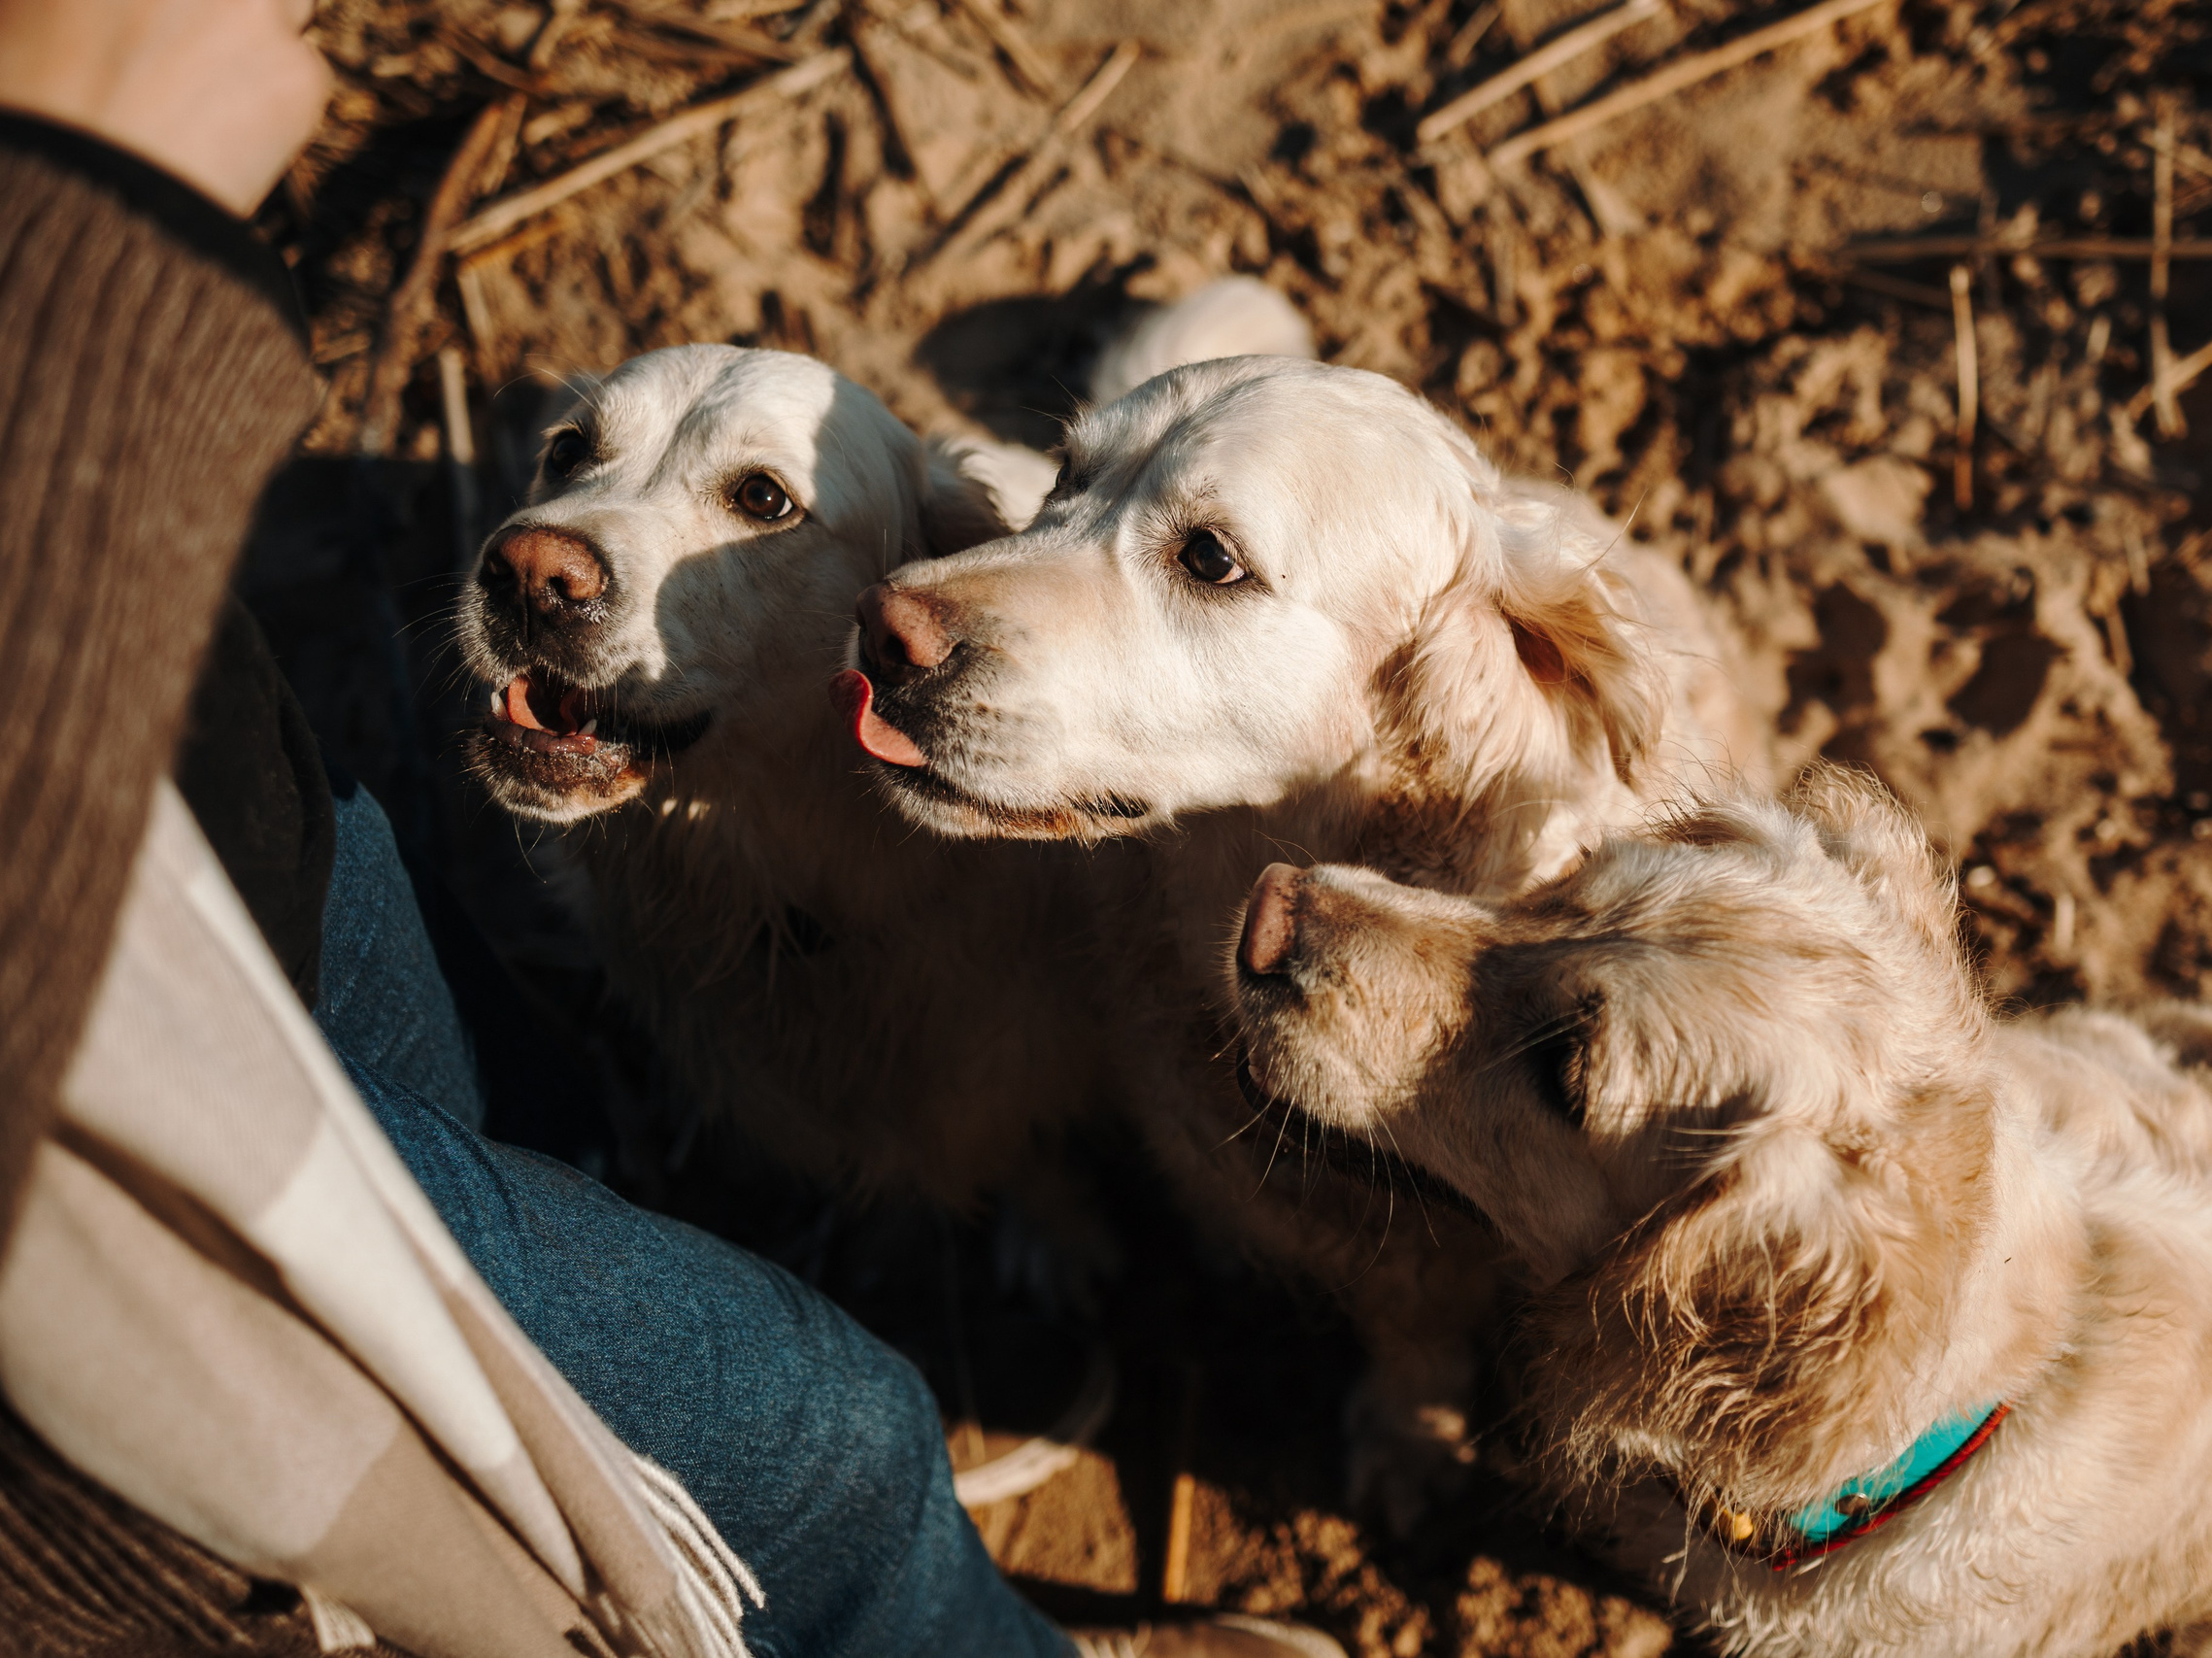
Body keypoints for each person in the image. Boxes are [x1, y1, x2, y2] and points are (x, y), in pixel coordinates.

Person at [0, 4, 1342, 1655]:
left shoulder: (1037, 816)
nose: (554, 537)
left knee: (484, 1066)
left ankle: (666, 1190)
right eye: (578, 459)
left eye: (758, 503)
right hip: (114, 987)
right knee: (835, 1436)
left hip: (239, 846)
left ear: (901, 579)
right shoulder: (616, 813)